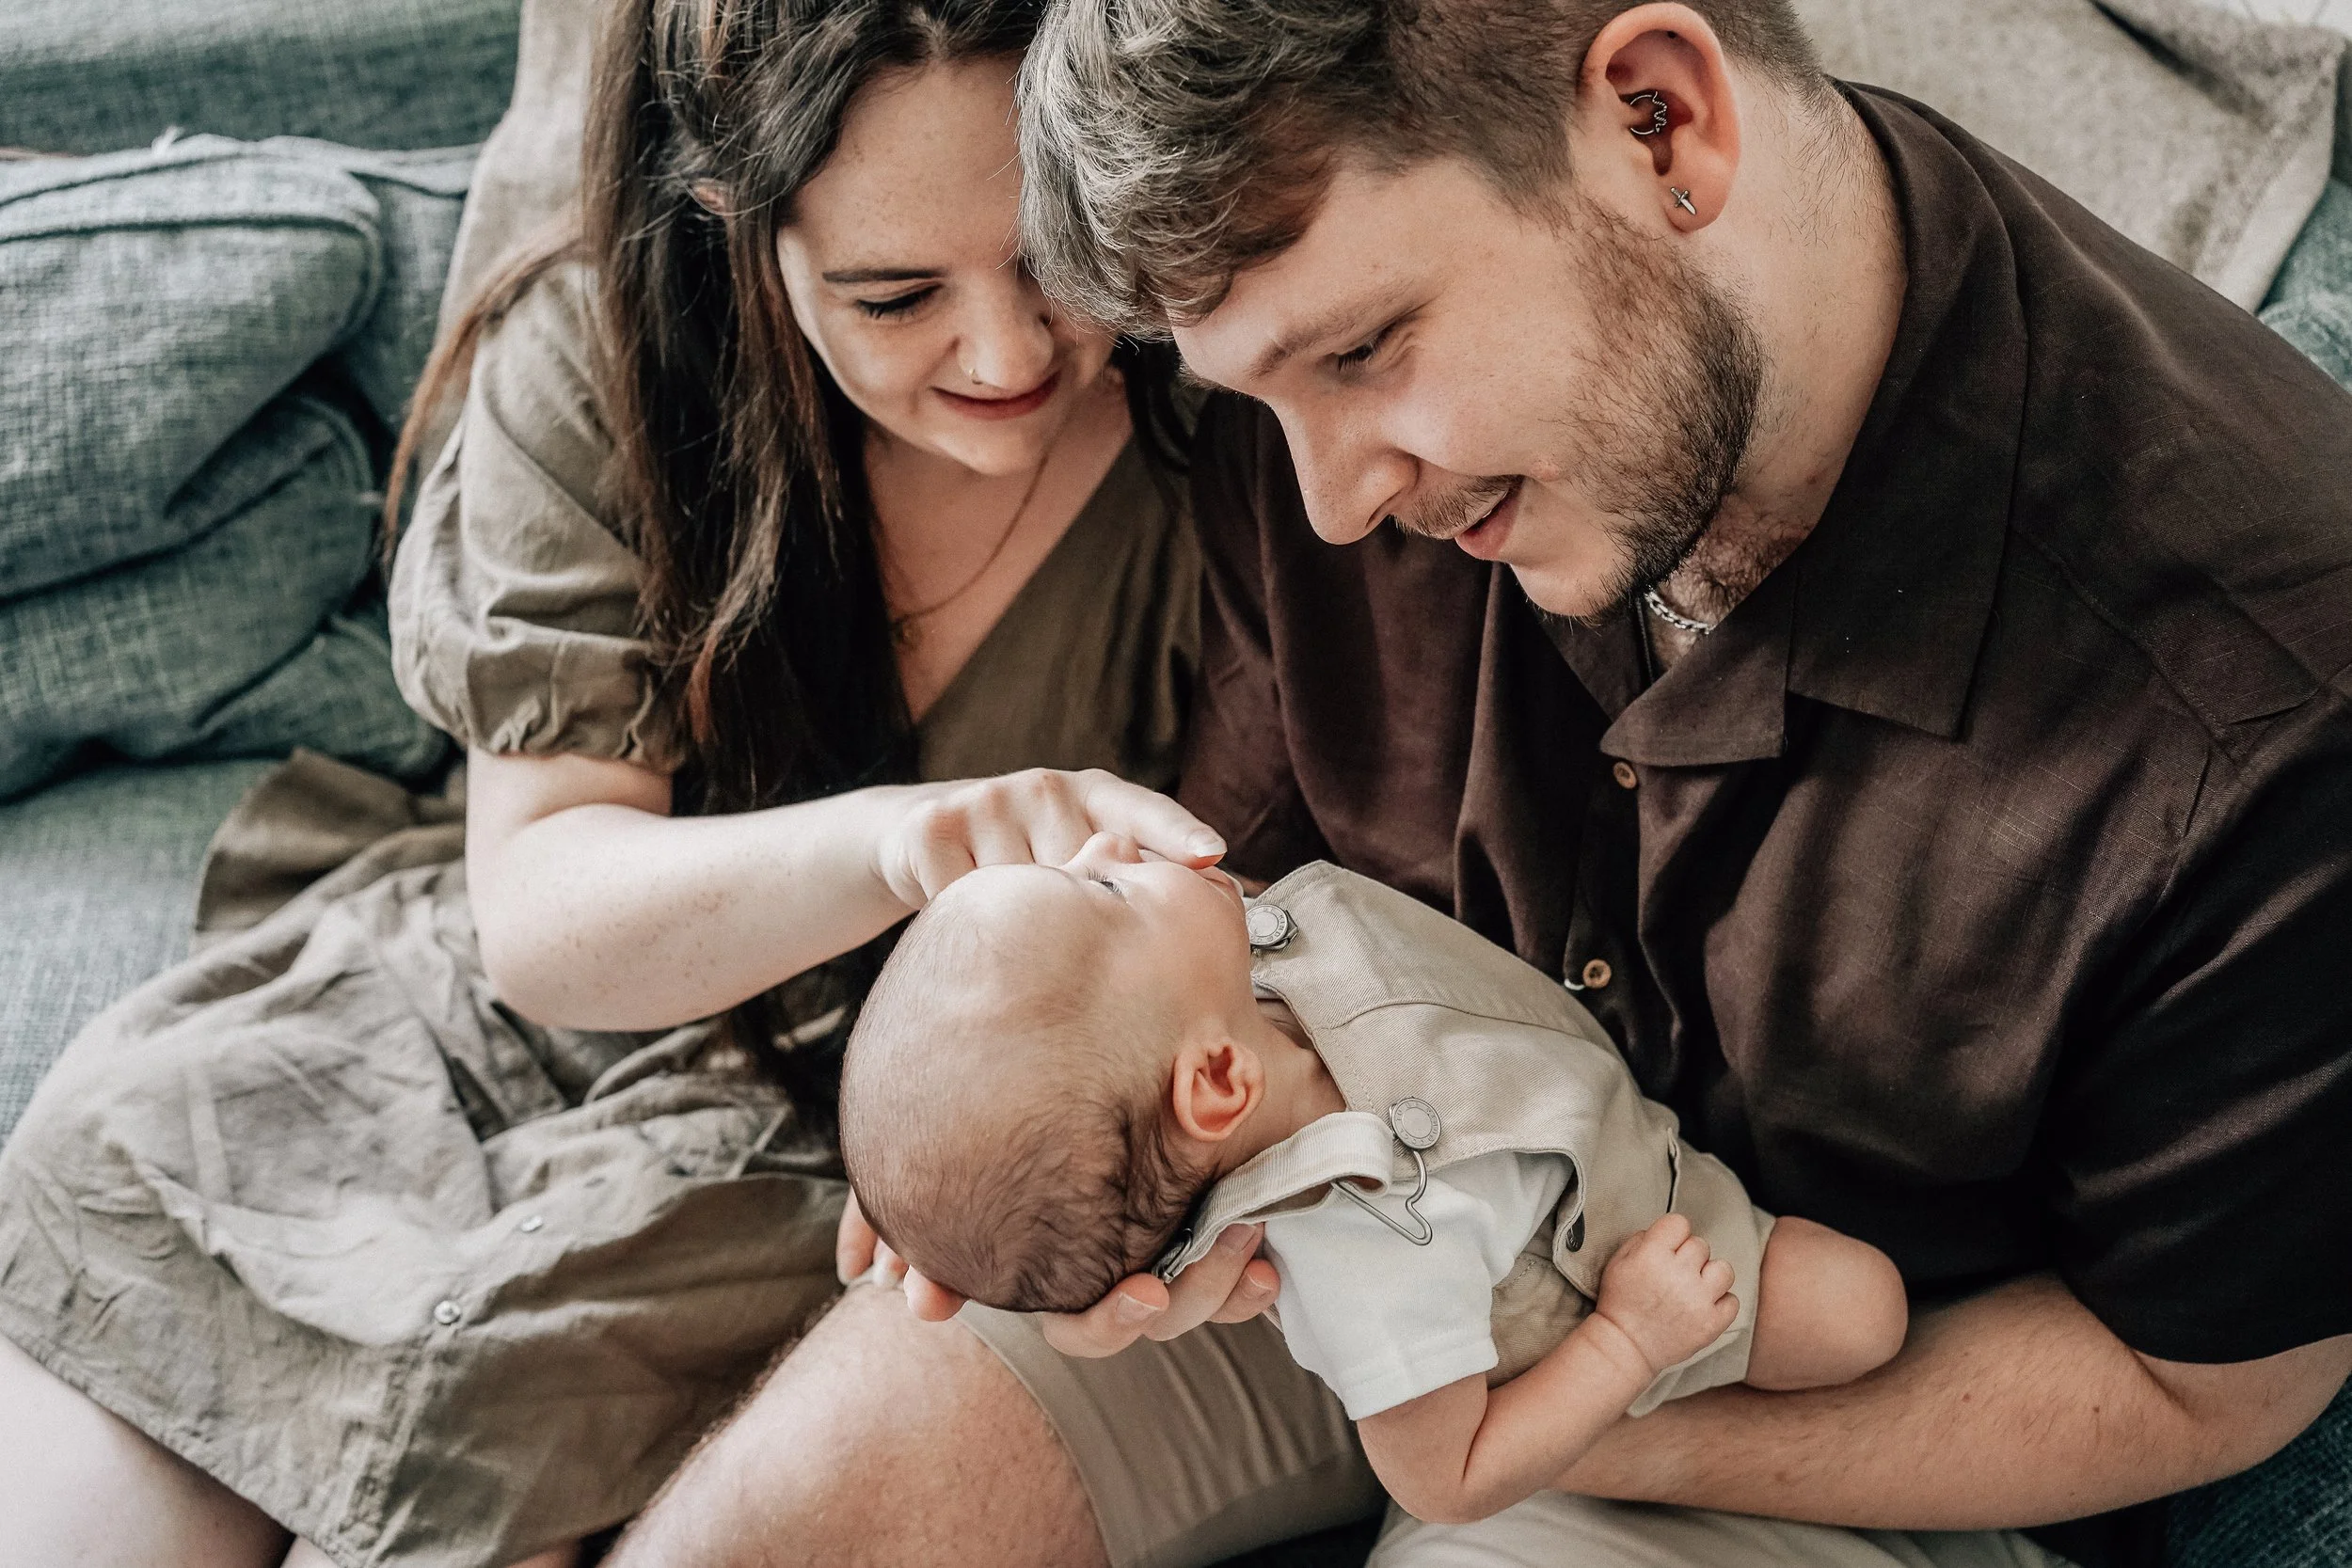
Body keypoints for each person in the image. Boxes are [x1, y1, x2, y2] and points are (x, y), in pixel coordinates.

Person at [999, 0, 2350, 1565]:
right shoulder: (1316, 357)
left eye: (1367, 351)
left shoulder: (2271, 720)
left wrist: (1582, 1411)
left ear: (1662, 121)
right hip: (1336, 1223)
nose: (1334, 501)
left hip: (1826, 1404)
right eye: (1255, 401)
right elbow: (1245, 866)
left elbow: (2192, 1392)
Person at [0, 3, 1229, 1566]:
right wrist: (902, 842)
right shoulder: (602, 349)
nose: (1004, 354)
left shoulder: (1220, 411)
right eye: (894, 293)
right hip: (473, 1039)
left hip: (848, 1146)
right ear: (735, 216)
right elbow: (542, 917)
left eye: (1058, 261)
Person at [839, 848, 1914, 1528]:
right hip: (1637, 1263)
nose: (1112, 846)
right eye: (1105, 888)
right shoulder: (1365, 1257)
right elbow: (1442, 1479)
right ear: (1217, 1080)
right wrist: (1630, 1341)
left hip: (1615, 1126)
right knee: (1864, 1310)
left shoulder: (1237, 994)